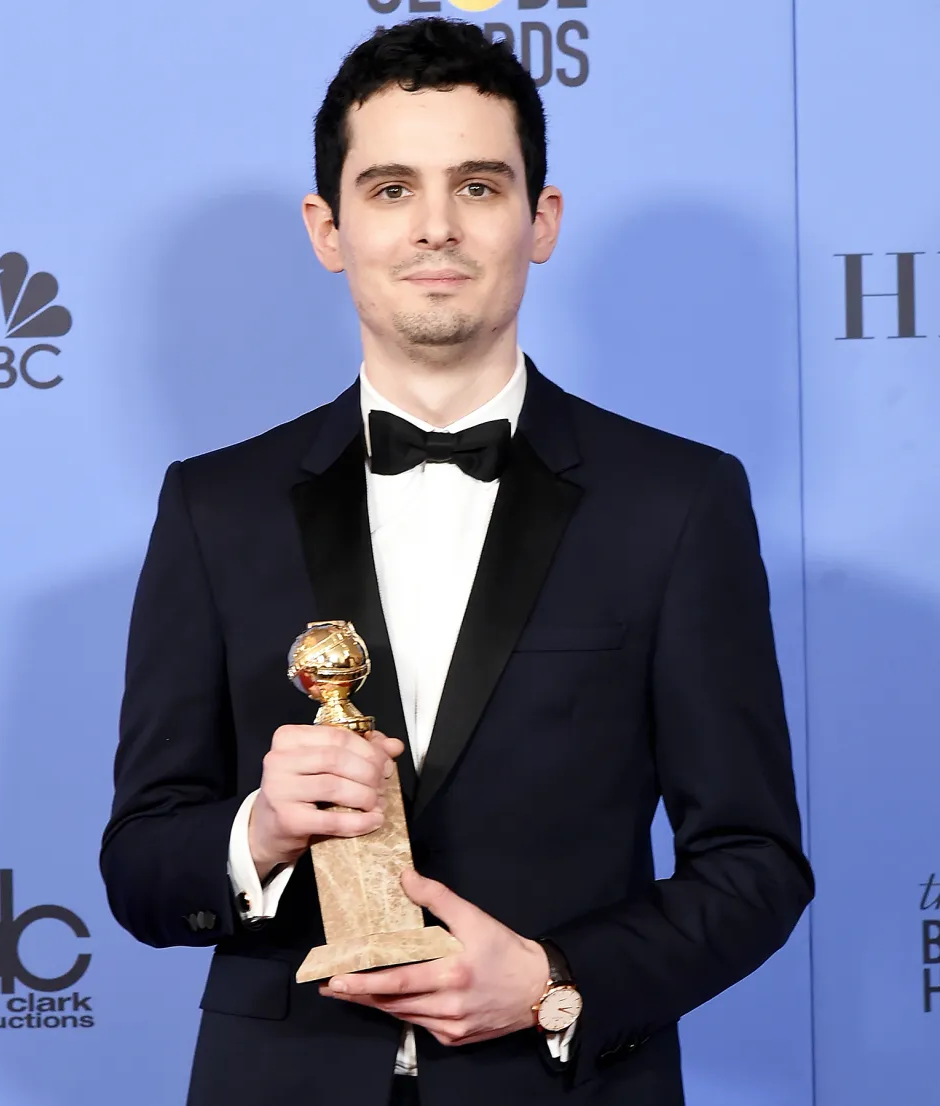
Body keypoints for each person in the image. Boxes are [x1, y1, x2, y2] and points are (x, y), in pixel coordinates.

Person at [100, 17, 814, 1106]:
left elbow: (755, 865)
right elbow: (142, 864)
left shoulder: (676, 501)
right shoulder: (214, 505)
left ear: (542, 219)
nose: (435, 226)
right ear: (326, 226)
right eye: (390, 189)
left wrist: (552, 977)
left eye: (478, 186)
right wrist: (260, 826)